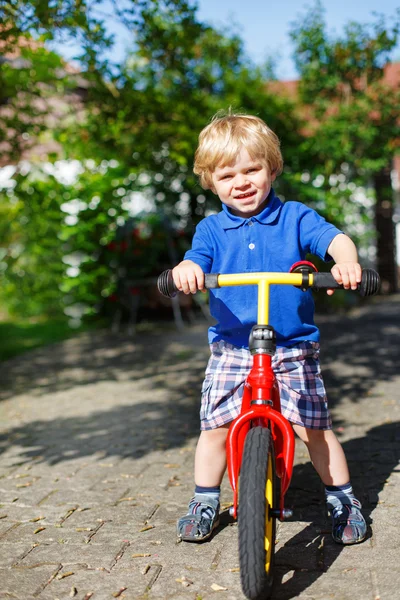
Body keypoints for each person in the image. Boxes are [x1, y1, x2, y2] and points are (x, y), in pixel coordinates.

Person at [172, 111, 367, 545]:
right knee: (215, 426)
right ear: (211, 182)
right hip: (232, 347)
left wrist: (345, 260)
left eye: (251, 169)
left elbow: (333, 239)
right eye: (227, 175)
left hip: (292, 346)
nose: (240, 182)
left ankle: (343, 496)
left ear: (272, 169)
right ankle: (204, 497)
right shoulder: (211, 229)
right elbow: (195, 259)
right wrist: (187, 269)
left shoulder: (295, 217)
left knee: (313, 427)